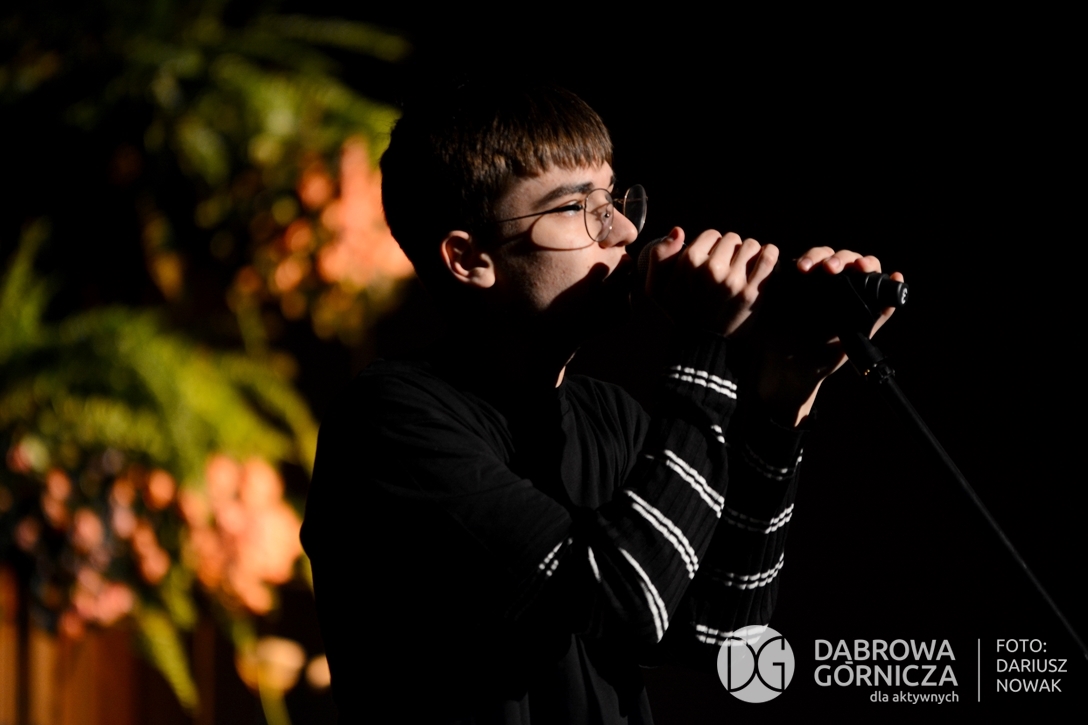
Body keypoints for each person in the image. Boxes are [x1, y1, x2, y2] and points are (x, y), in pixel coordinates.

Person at [300, 81, 900, 724]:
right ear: (468, 258)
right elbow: (627, 597)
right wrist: (704, 343)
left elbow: (725, 639)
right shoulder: (389, 423)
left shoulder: (607, 417)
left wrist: (784, 396)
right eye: (574, 207)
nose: (624, 230)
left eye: (611, 200)